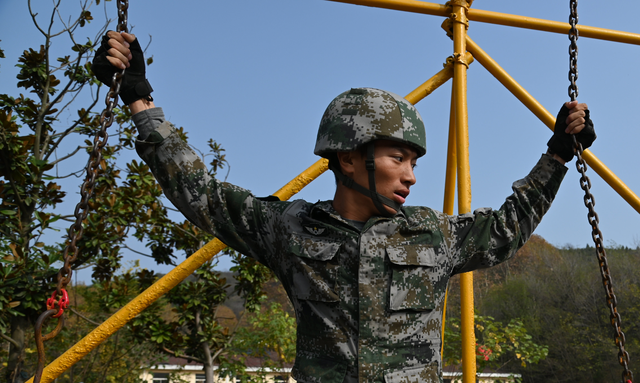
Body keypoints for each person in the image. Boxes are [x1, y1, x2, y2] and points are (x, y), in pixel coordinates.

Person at [92, 31, 595, 383]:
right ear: (350, 160)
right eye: (398, 157)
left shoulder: (433, 234)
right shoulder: (290, 229)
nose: (411, 176)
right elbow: (199, 191)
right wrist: (139, 100)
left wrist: (557, 155)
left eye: (415, 161)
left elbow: (508, 228)